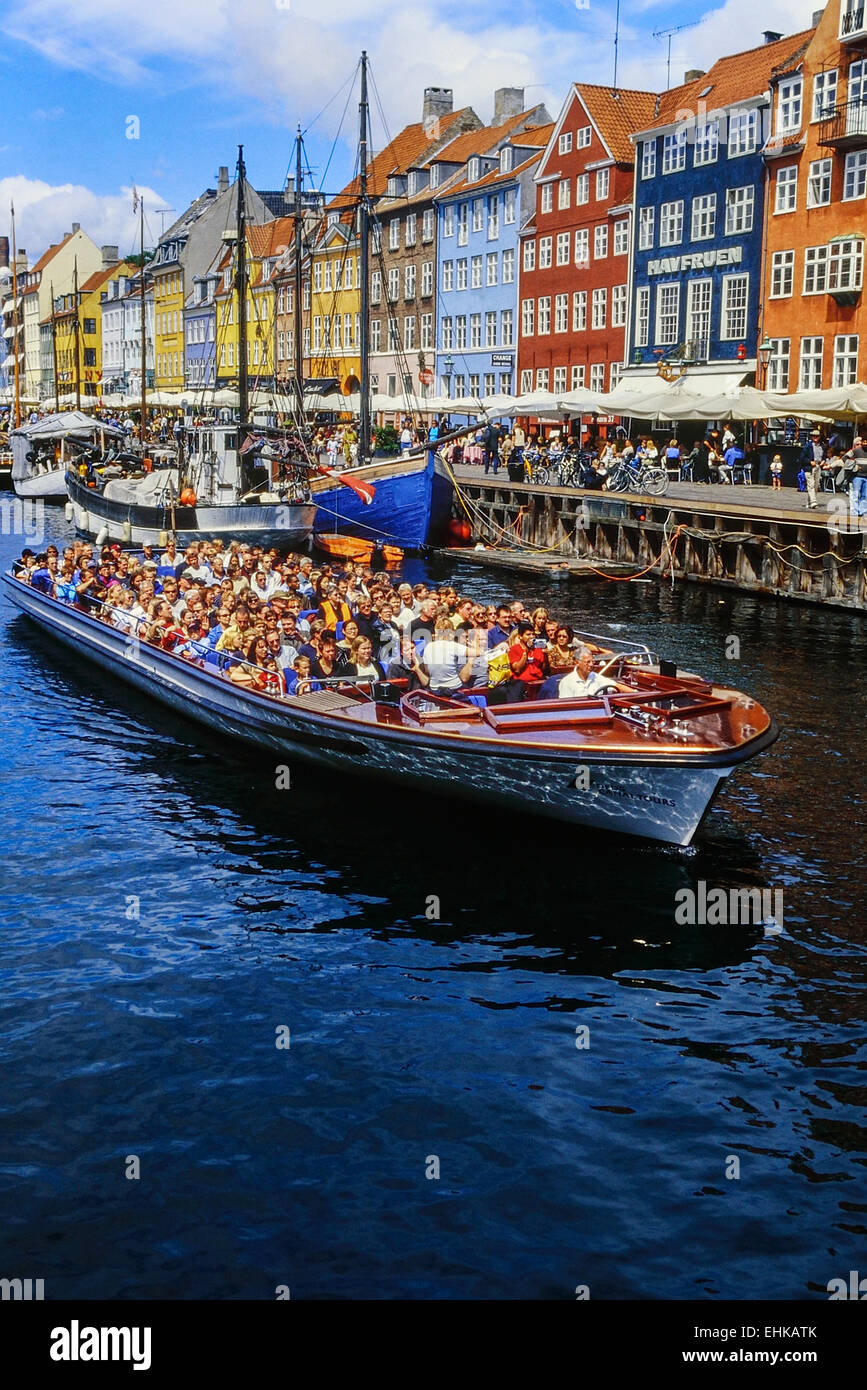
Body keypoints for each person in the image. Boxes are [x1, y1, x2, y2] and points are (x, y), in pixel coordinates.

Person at [422, 617, 476, 697]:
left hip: (434, 688)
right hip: (453, 688)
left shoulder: (428, 646)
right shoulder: (453, 646)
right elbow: (477, 653)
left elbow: (427, 671)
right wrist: (475, 646)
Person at [559, 645, 629, 699]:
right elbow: (565, 707)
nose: (591, 665)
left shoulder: (596, 677)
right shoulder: (567, 682)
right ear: (577, 663)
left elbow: (616, 685)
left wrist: (636, 692)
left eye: (592, 661)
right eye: (588, 662)